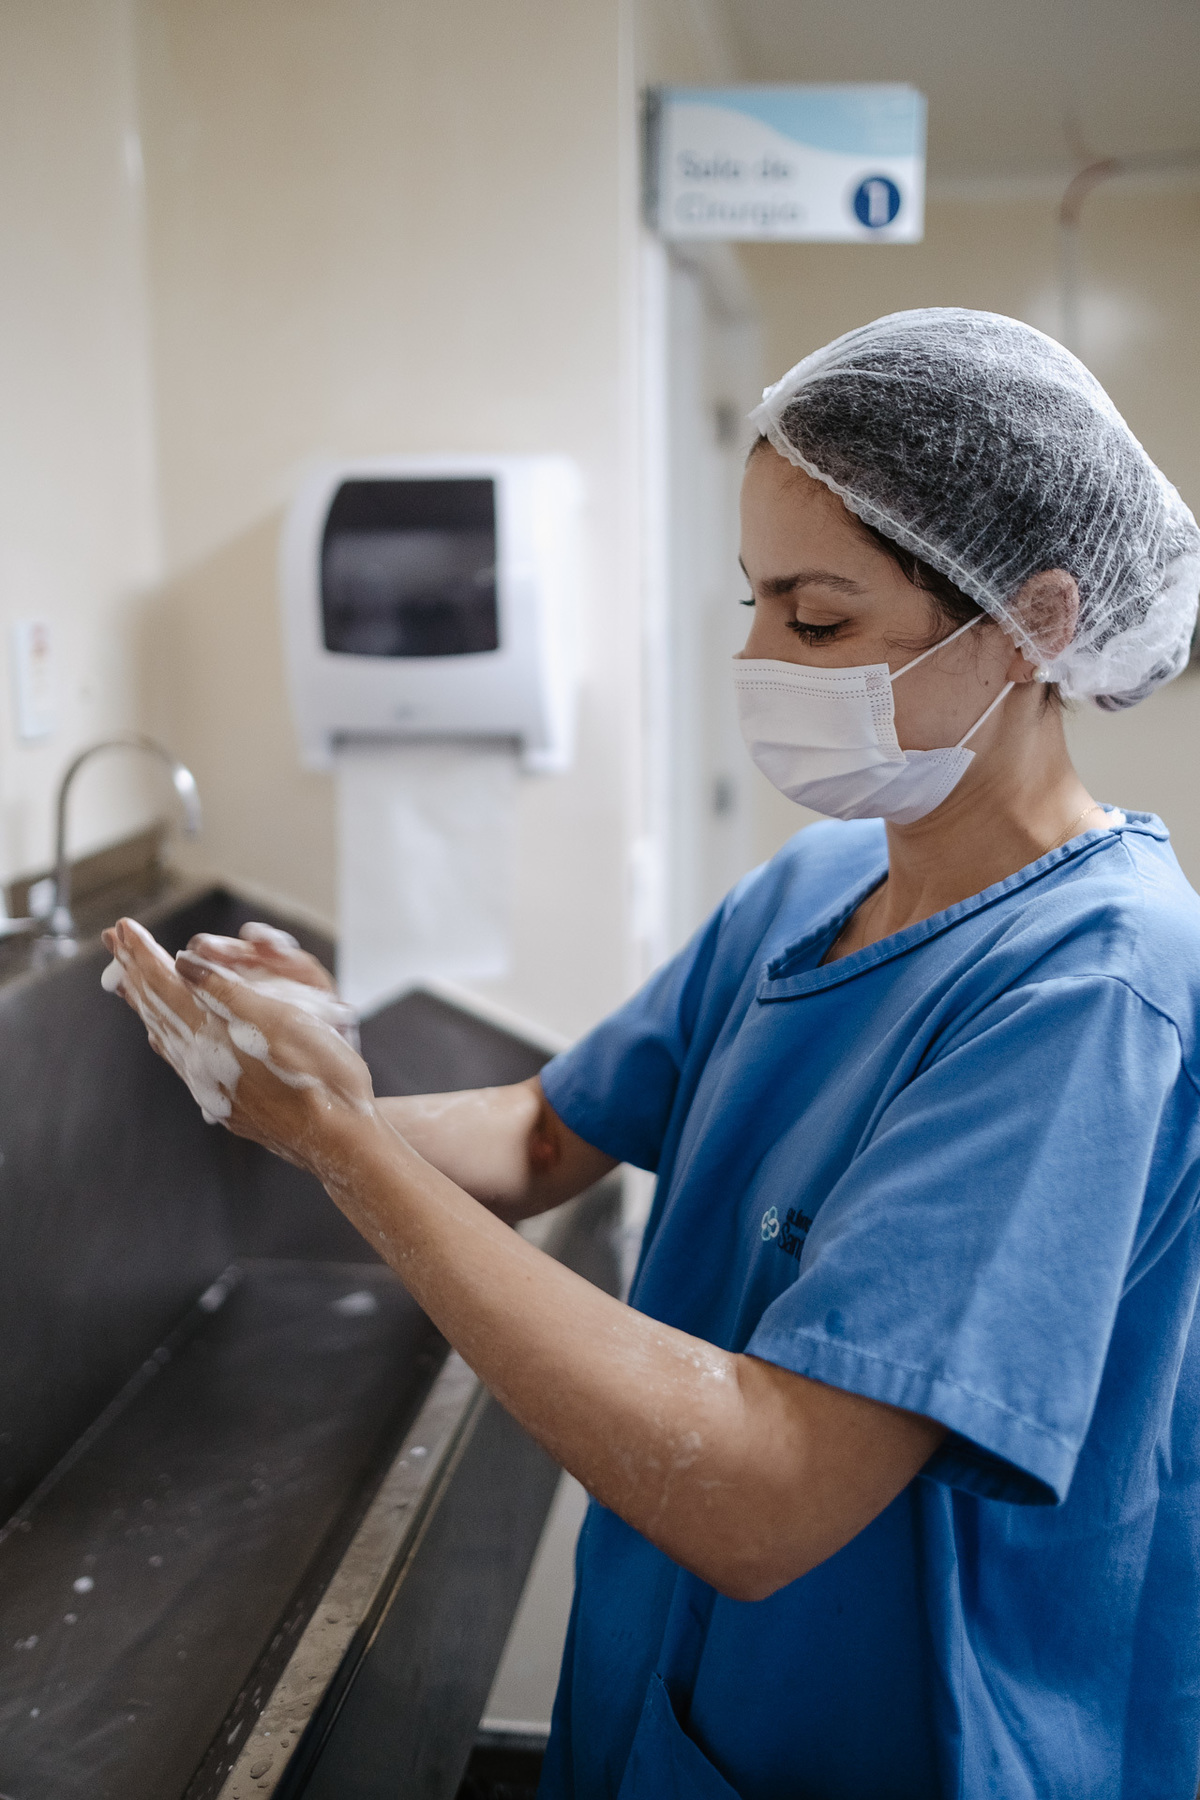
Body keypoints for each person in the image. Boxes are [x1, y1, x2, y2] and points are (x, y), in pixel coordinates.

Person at [105, 310, 1200, 1799]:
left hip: (919, 1729)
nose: (760, 657)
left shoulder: (1096, 981)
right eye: (753, 603)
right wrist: (308, 1080)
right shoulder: (820, 889)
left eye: (818, 622)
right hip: (687, 1708)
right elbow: (548, 1135)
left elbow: (767, 1500)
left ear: (1039, 621)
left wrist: (341, 1146)